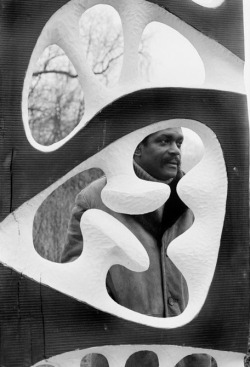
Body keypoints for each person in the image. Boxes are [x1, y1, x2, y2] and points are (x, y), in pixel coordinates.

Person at [61, 127, 214, 367]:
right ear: (137, 149)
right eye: (164, 141)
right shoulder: (95, 200)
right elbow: (74, 282)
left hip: (190, 357)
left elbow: (212, 279)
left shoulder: (196, 200)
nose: (175, 150)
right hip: (126, 358)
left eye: (179, 143)